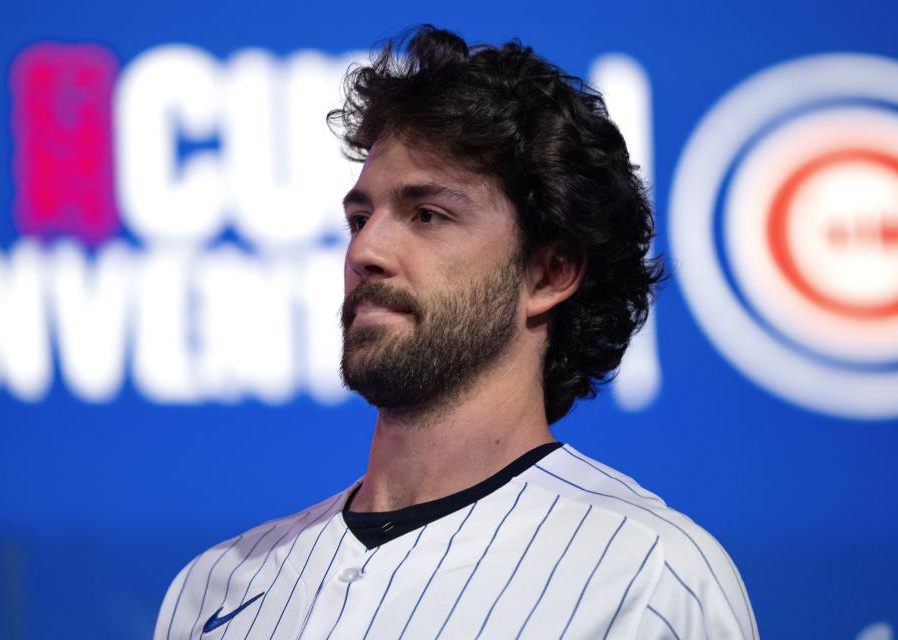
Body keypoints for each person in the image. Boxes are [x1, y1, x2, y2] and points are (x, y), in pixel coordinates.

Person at [154, 26, 757, 639]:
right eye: (359, 218)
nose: (366, 249)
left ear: (550, 273)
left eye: (427, 215)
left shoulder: (648, 576)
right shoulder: (212, 588)